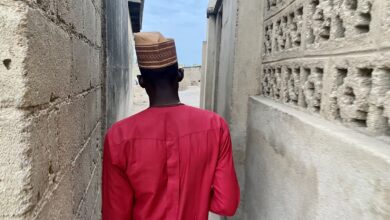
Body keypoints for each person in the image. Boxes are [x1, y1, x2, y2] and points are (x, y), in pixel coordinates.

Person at [102, 32, 240, 220]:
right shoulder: (216, 127)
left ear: (142, 82)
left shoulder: (118, 137)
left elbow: (116, 214)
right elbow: (226, 205)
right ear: (180, 75)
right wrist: (194, 194)